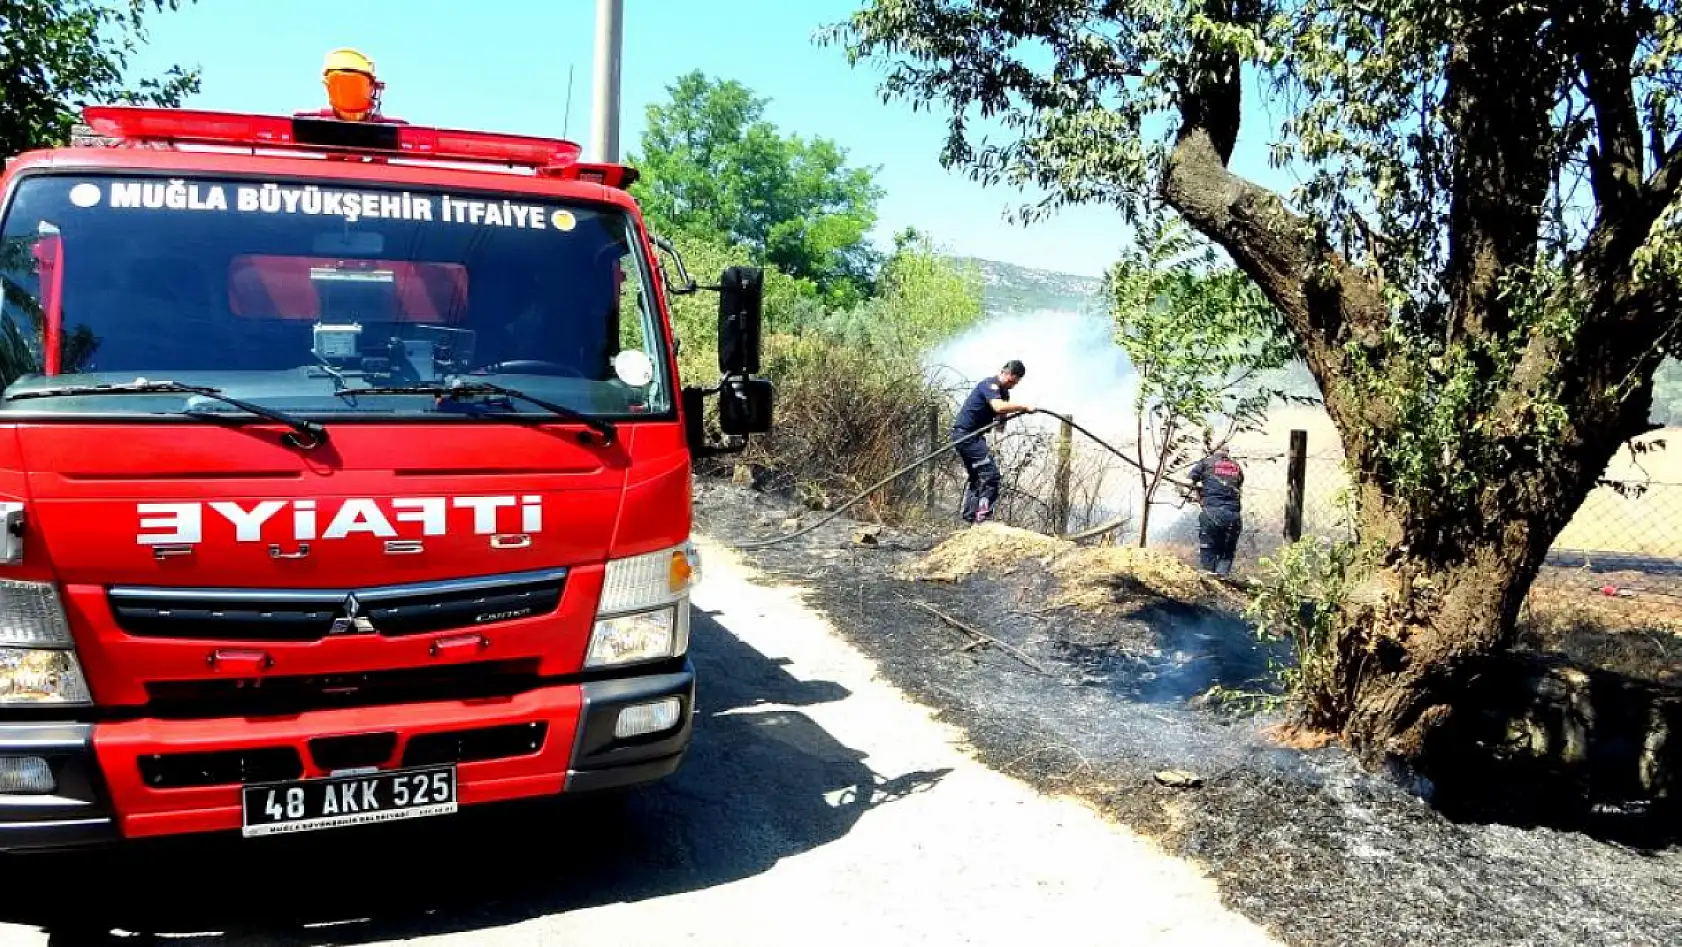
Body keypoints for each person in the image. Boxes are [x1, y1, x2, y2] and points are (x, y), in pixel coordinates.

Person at [951, 360, 1034, 524]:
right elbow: (997, 407)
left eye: (1016, 383)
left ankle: (969, 519)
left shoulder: (1004, 393)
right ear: (1007, 374)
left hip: (972, 437)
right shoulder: (989, 384)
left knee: (977, 477)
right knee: (991, 476)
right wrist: (1023, 407)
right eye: (1012, 381)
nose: (1013, 385)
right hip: (967, 436)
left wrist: (1003, 419)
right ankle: (983, 517)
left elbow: (999, 422)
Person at [1187, 443, 1245, 575]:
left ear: (1212, 452)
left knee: (1209, 552)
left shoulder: (1205, 463)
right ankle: (1221, 582)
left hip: (1211, 513)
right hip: (1233, 516)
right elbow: (1238, 486)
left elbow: (1189, 482)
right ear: (1227, 453)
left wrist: (1198, 497)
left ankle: (1210, 584)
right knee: (1226, 554)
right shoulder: (1236, 466)